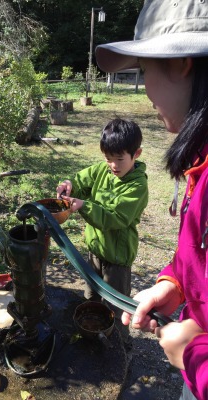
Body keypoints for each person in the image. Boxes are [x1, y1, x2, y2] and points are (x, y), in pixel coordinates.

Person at [95, 1, 208, 399]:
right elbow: (197, 253)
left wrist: (196, 356)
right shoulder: (200, 162)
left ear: (182, 64)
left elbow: (115, 216)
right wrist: (174, 286)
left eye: (145, 70)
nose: (145, 91)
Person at [56, 117, 148, 347]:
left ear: (136, 154)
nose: (113, 165)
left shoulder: (137, 186)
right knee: (91, 298)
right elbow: (81, 179)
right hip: (94, 251)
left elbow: (115, 218)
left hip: (117, 259)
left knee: (116, 308)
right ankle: (92, 337)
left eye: (119, 159)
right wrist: (69, 184)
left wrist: (84, 206)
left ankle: (119, 347)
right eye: (108, 159)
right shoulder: (103, 171)